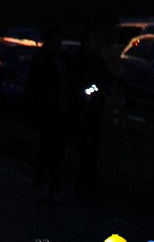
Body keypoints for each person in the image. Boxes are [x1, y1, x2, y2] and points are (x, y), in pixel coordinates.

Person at [25, 26, 69, 203]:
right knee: (45, 150)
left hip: (60, 111)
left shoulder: (63, 59)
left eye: (59, 40)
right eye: (54, 40)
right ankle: (41, 184)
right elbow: (34, 86)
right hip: (45, 110)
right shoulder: (40, 60)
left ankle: (55, 188)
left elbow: (70, 81)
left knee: (58, 152)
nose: (57, 44)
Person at [67, 28, 112, 198]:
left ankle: (89, 182)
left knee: (93, 148)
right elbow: (78, 87)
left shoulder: (98, 60)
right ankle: (83, 183)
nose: (96, 44)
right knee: (84, 148)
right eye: (92, 40)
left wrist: (108, 87)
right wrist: (94, 89)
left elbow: (105, 79)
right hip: (81, 111)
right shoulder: (77, 60)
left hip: (95, 112)